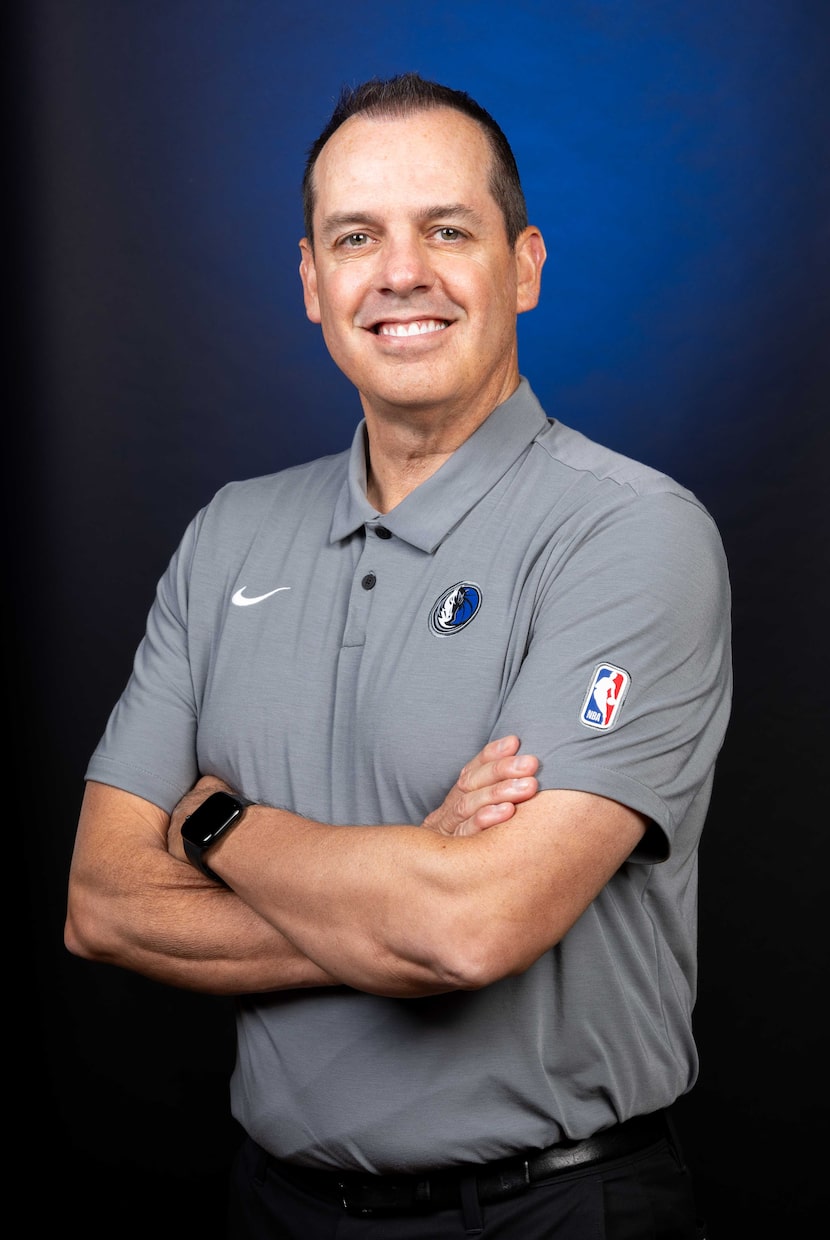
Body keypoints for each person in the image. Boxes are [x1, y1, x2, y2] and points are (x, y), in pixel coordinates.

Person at [65, 73, 732, 1239]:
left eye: (447, 229)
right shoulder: (230, 531)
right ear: (313, 284)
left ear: (521, 265)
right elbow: (103, 904)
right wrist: (405, 893)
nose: (401, 273)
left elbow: (473, 928)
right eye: (356, 236)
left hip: (553, 1210)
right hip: (274, 1207)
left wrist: (219, 826)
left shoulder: (630, 532)